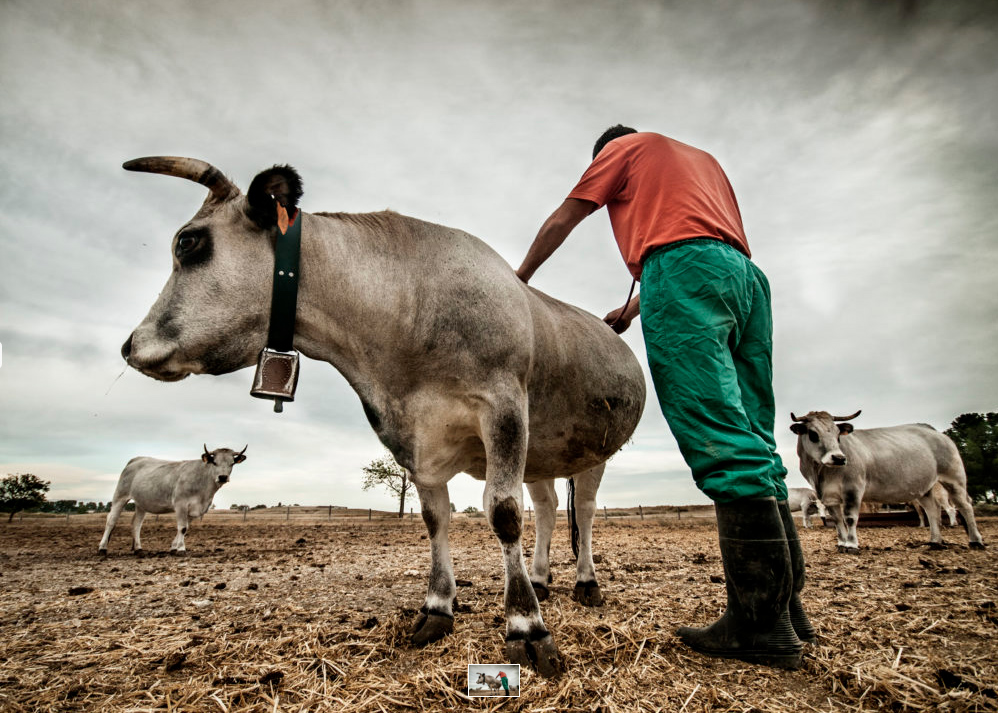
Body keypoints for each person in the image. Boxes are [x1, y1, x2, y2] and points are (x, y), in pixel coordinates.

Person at [516, 125, 813, 669]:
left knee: (717, 433)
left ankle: (761, 627)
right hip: (746, 279)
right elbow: (703, 243)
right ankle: (790, 611)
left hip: (682, 272)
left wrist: (519, 280)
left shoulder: (622, 150)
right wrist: (630, 311)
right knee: (754, 437)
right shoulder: (702, 160)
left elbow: (567, 216)